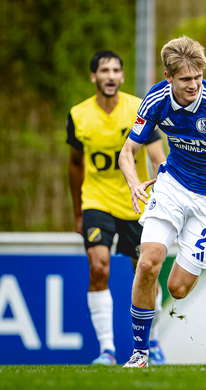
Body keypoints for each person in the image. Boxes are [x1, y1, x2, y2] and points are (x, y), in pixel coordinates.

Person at [118, 36, 206, 368]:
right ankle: (140, 353)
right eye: (185, 79)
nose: (194, 84)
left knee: (178, 288)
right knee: (148, 262)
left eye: (198, 77)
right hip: (173, 186)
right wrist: (134, 182)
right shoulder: (154, 101)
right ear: (169, 77)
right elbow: (127, 153)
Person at [67, 51, 167, 365]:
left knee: (147, 272)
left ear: (122, 77)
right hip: (96, 201)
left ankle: (151, 341)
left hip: (135, 203)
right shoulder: (78, 114)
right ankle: (107, 350)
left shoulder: (140, 107)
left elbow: (156, 156)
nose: (110, 76)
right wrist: (78, 211)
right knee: (99, 268)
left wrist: (163, 198)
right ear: (94, 77)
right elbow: (74, 164)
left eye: (115, 71)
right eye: (103, 71)